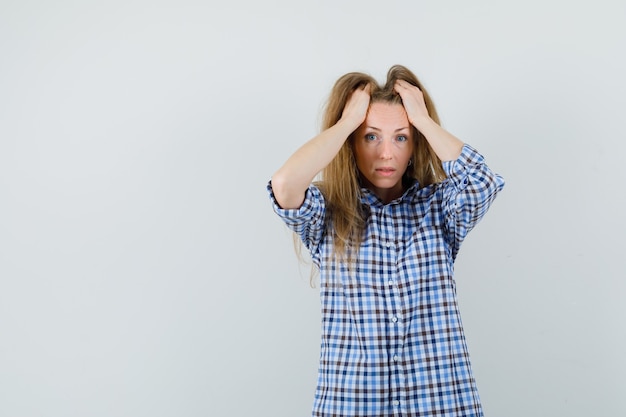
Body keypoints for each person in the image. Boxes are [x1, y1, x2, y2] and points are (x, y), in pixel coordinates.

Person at [267, 65, 505, 417]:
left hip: (441, 403)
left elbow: (482, 181)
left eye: (401, 137)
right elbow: (285, 185)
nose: (386, 154)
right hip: (352, 404)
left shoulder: (439, 207)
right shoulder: (328, 212)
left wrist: (423, 119)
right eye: (371, 136)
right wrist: (347, 123)